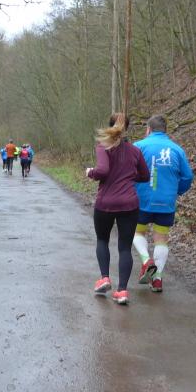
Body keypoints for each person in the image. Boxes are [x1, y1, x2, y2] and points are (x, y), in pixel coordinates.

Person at [85, 113, 150, 305]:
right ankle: (122, 291)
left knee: (102, 240)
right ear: (127, 128)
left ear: (109, 126)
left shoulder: (103, 146)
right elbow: (145, 176)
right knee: (124, 247)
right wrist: (128, 177)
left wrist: (90, 172)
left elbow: (103, 170)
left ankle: (104, 278)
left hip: (106, 203)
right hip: (129, 204)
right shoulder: (135, 150)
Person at [132, 114, 194, 293]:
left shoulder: (138, 146)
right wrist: (177, 191)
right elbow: (188, 176)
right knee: (161, 239)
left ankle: (146, 261)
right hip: (166, 202)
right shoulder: (177, 149)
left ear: (148, 129)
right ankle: (157, 278)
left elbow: (128, 172)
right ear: (165, 131)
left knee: (137, 232)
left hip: (142, 200)